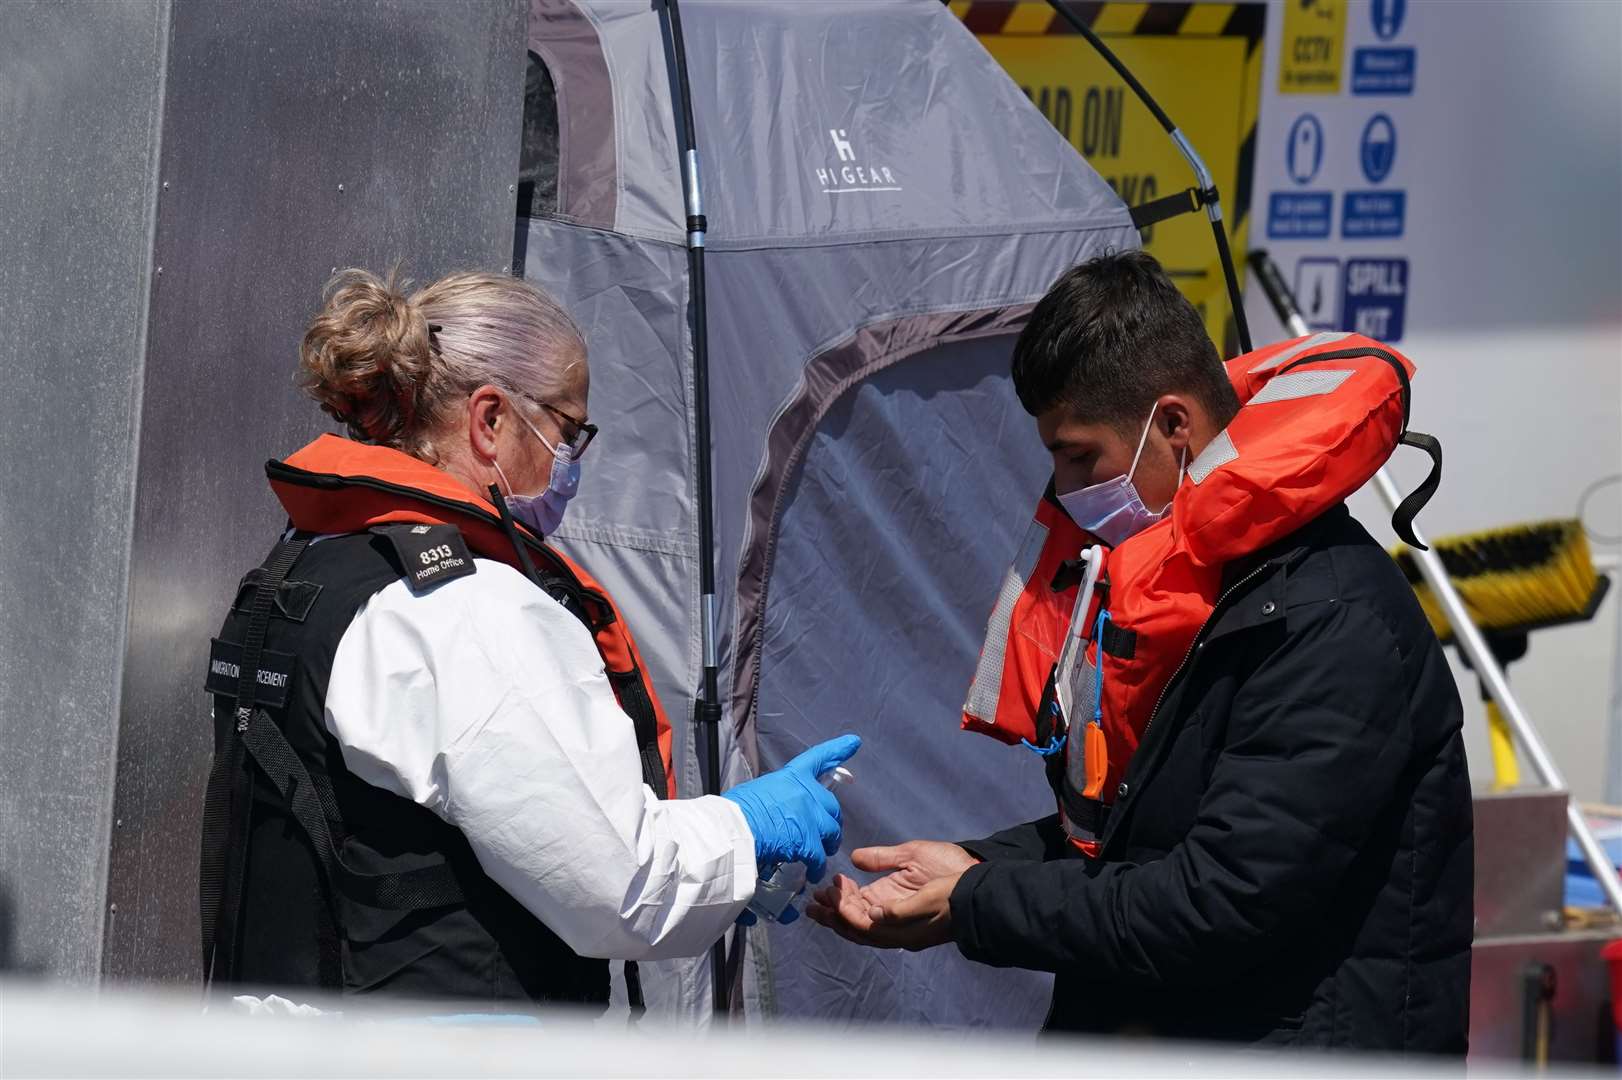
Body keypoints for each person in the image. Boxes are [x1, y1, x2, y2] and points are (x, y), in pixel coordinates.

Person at [808, 251, 1472, 1052]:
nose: (1065, 490)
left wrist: (974, 900)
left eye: (1079, 456)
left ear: (1174, 425)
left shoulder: (1328, 619)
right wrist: (968, 863)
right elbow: (1129, 838)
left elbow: (1218, 900)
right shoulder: (1185, 589)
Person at [200, 268, 858, 1007]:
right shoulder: (466, 610)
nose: (573, 462)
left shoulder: (312, 565)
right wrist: (748, 828)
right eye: (570, 431)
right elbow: (619, 882)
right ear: (489, 419)